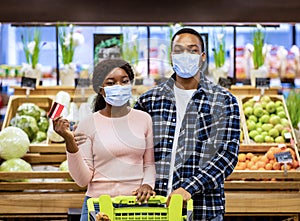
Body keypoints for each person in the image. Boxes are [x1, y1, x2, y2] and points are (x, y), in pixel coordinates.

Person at [134, 28, 240, 220]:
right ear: (171, 56)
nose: (185, 56)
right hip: (154, 209)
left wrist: (189, 188)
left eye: (192, 51)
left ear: (203, 57)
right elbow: (136, 150)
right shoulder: (149, 100)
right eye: (179, 50)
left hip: (203, 210)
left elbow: (227, 156)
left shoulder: (223, 101)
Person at [53, 59, 156, 221]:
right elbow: (82, 180)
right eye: (111, 83)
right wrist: (69, 141)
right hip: (98, 205)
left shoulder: (144, 119)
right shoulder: (87, 124)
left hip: (136, 205)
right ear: (101, 90)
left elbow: (149, 164)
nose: (119, 87)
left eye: (124, 81)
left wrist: (148, 184)